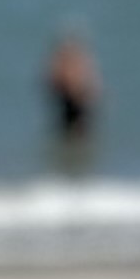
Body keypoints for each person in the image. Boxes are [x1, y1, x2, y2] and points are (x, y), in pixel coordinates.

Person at [41, 25, 102, 172]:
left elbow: (92, 83)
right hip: (68, 103)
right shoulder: (62, 60)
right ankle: (70, 170)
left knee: (78, 136)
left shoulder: (76, 59)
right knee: (70, 135)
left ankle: (76, 170)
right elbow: (50, 81)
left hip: (78, 104)